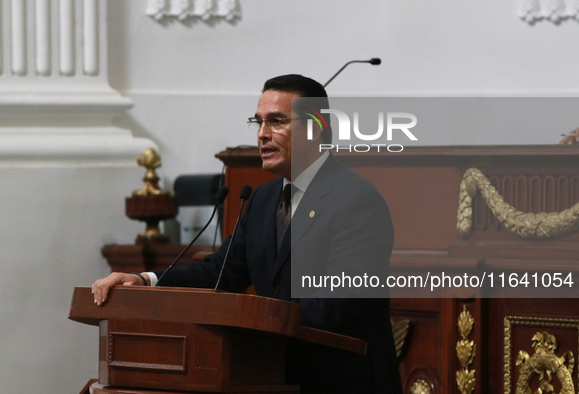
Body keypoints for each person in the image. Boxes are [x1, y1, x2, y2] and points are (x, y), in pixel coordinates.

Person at [92, 74, 402, 393]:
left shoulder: (355, 200)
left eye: (276, 121)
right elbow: (220, 272)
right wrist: (145, 282)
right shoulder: (262, 200)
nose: (263, 135)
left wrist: (249, 319)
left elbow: (335, 307)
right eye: (258, 122)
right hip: (277, 380)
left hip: (342, 383)